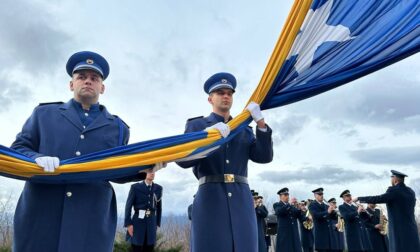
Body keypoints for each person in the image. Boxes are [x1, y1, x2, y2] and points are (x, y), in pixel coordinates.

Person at [10, 51, 151, 252]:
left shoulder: (119, 128)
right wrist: (37, 158)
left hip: (90, 217)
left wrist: (147, 166)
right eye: (81, 77)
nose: (88, 81)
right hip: (42, 213)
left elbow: (117, 169)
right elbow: (19, 148)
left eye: (94, 78)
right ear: (71, 84)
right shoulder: (43, 115)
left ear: (102, 88)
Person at [177, 72, 273, 252]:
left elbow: (264, 157)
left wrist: (261, 125)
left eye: (230, 93)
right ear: (210, 99)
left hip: (241, 198)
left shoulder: (243, 128)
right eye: (220, 92)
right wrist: (207, 137)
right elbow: (182, 160)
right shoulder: (197, 126)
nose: (226, 96)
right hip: (210, 198)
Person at [354, 170, 420, 252]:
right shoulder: (411, 191)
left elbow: (378, 198)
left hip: (398, 230)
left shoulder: (394, 191)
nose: (391, 180)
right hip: (411, 228)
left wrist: (359, 198)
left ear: (395, 179)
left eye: (391, 177)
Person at [125, 171, 163, 252]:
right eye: (150, 171)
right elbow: (128, 206)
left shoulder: (158, 188)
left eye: (154, 172)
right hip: (137, 223)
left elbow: (159, 208)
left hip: (152, 223)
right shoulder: (135, 187)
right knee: (136, 248)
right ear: (144, 173)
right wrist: (128, 224)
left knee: (150, 248)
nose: (152, 173)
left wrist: (157, 223)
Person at [308, 188, 335, 252]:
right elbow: (316, 216)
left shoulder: (326, 205)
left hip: (328, 235)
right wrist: (327, 212)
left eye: (322, 194)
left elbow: (332, 217)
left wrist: (334, 212)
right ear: (315, 195)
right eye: (319, 194)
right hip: (320, 235)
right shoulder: (312, 205)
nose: (321, 195)